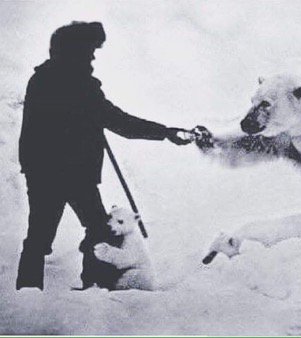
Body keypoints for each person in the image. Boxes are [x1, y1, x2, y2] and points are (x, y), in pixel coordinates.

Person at [17, 21, 193, 290]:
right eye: (89, 51)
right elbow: (118, 121)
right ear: (74, 51)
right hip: (58, 174)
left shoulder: (55, 80)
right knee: (65, 234)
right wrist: (165, 133)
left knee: (83, 232)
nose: (93, 57)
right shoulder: (73, 83)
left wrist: (164, 132)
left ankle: (76, 290)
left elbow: (112, 120)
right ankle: (72, 290)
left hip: (60, 173)